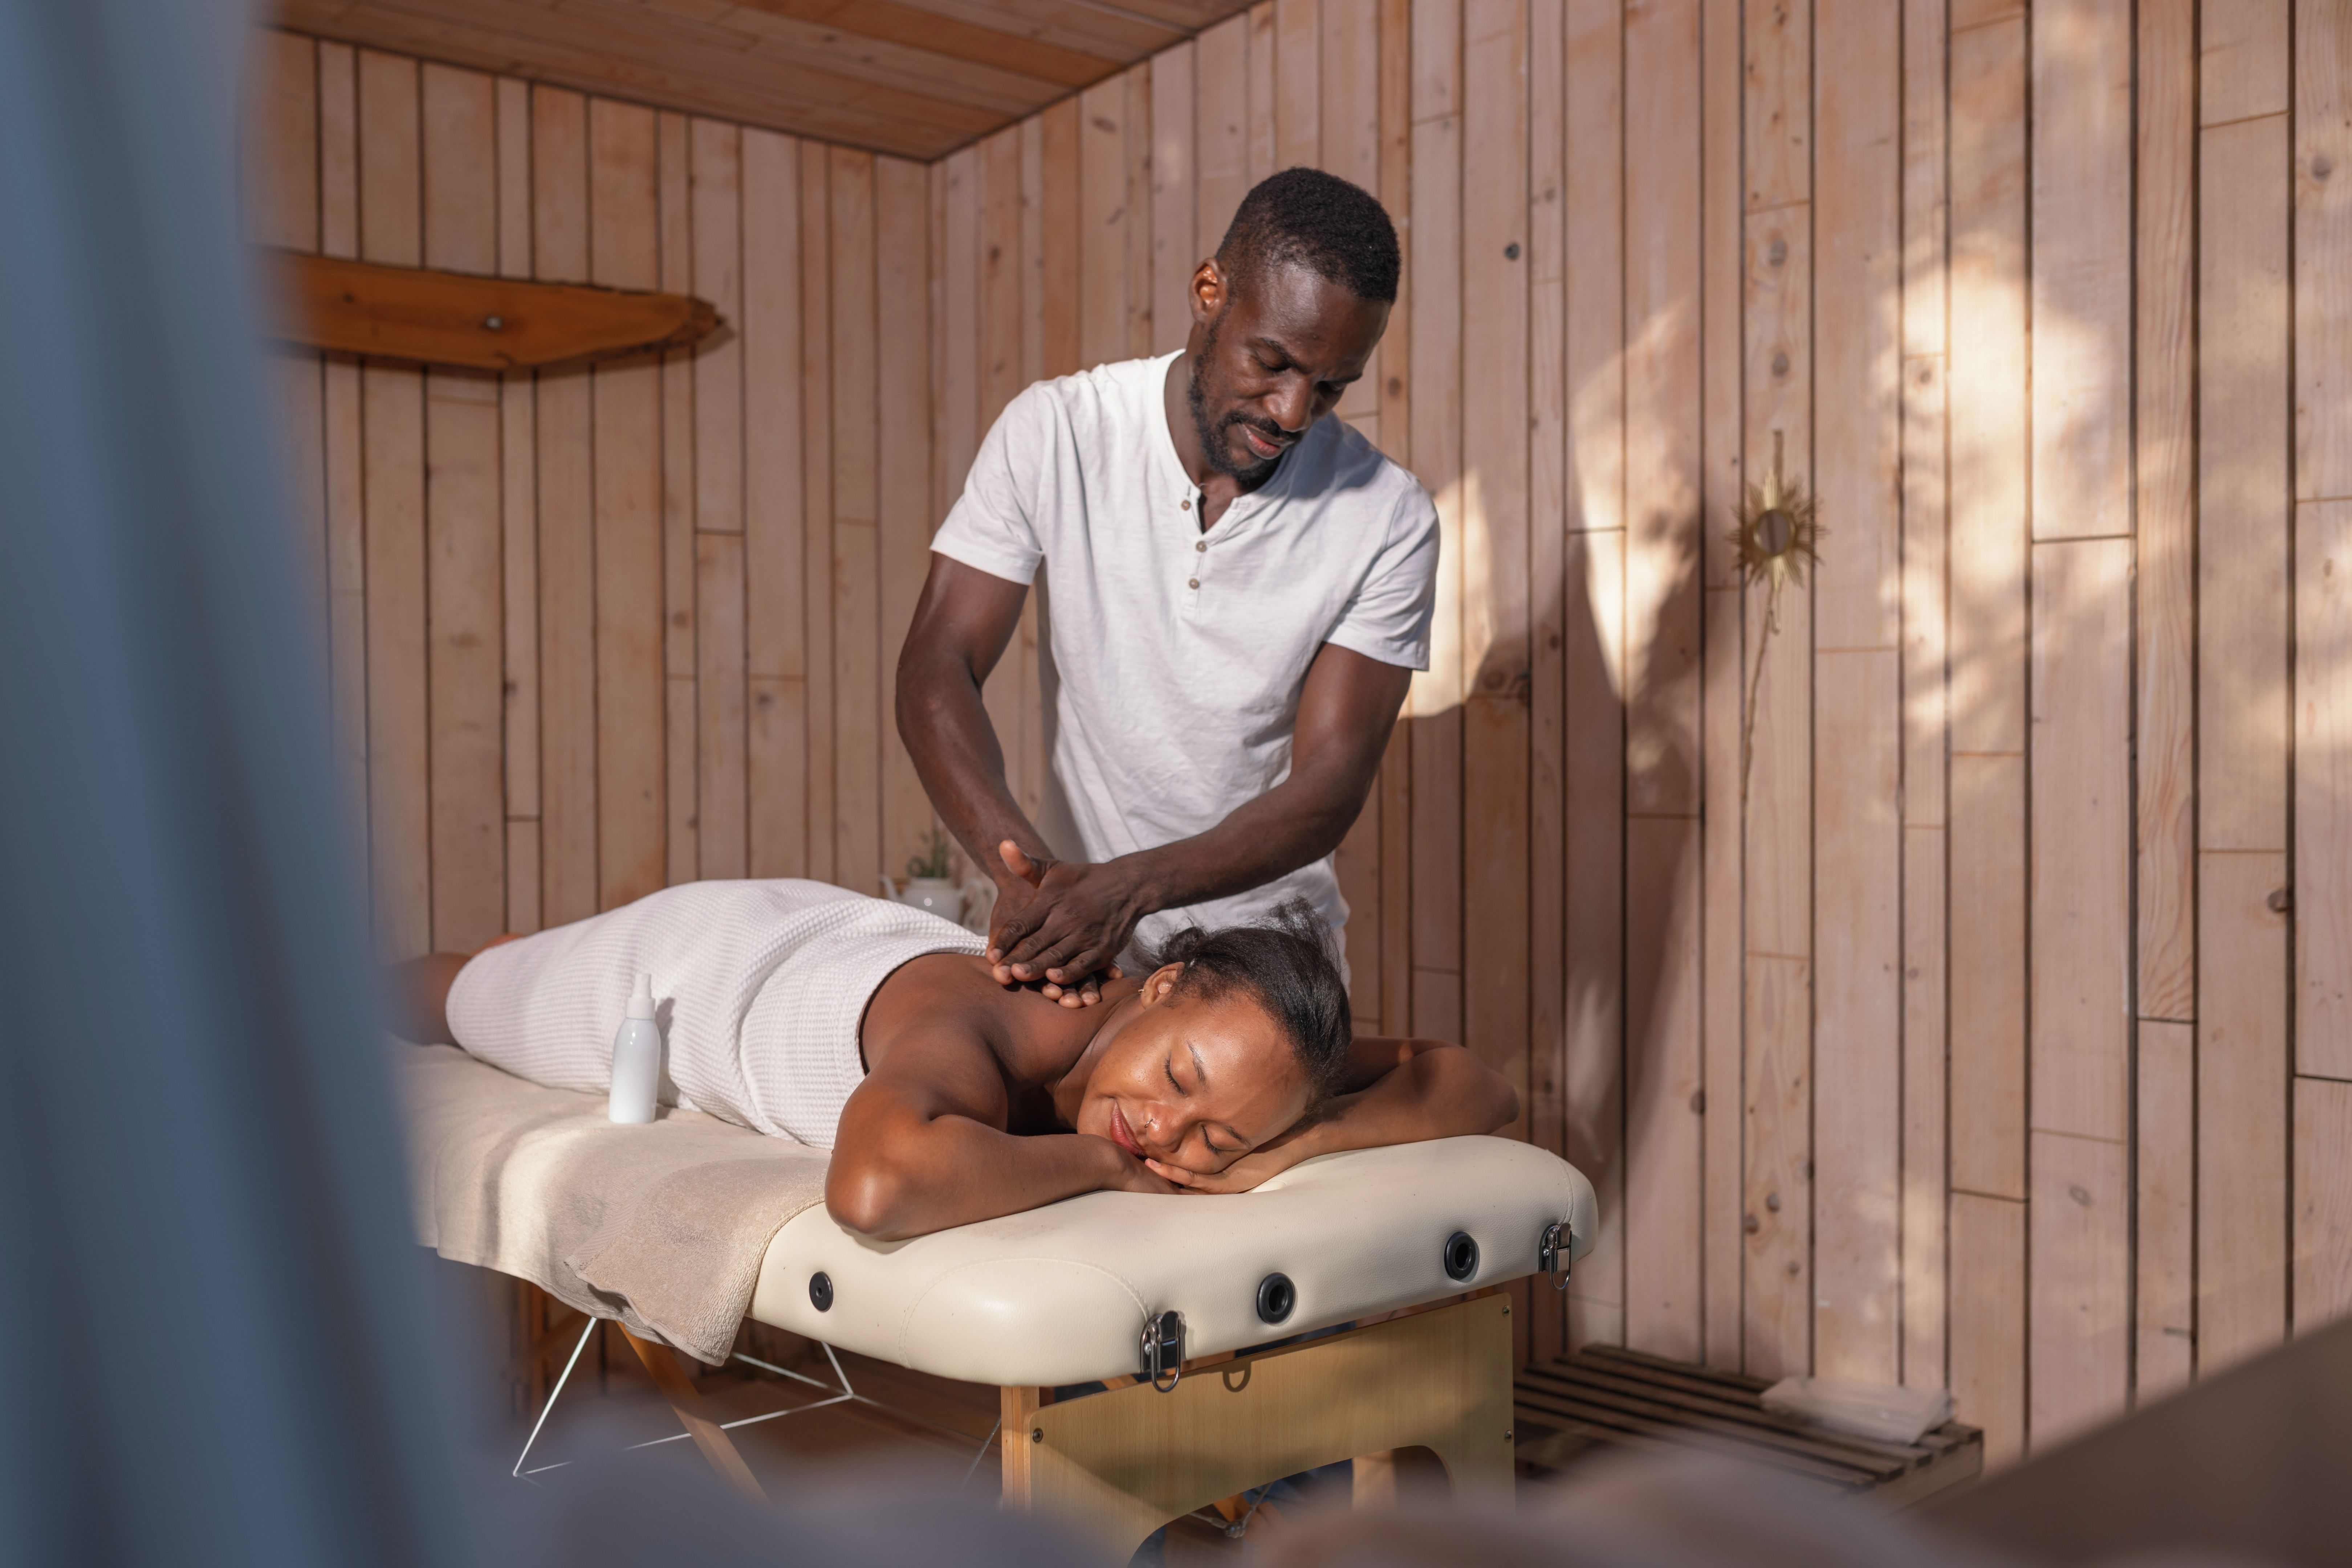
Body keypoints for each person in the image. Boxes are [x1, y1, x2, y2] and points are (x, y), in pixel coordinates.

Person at [899, 166, 1436, 1008]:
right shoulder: (1058, 432)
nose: (1294, 412)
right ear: (1207, 292)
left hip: (1270, 964)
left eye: (1331, 386)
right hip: (1074, 934)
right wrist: (1025, 878)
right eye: (1273, 362)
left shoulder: (1389, 516)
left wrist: (1130, 887)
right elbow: (938, 667)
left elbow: (1329, 783)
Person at [388, 880, 1516, 1241]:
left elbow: (1473, 1080)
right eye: (1177, 1086)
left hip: (828, 929)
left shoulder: (1250, 1055)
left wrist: (1291, 1143)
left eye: (1215, 1135)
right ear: (1160, 984)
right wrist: (1112, 1172)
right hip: (682, 970)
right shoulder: (977, 1032)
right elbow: (875, 1189)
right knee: (447, 997)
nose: (1168, 1133)